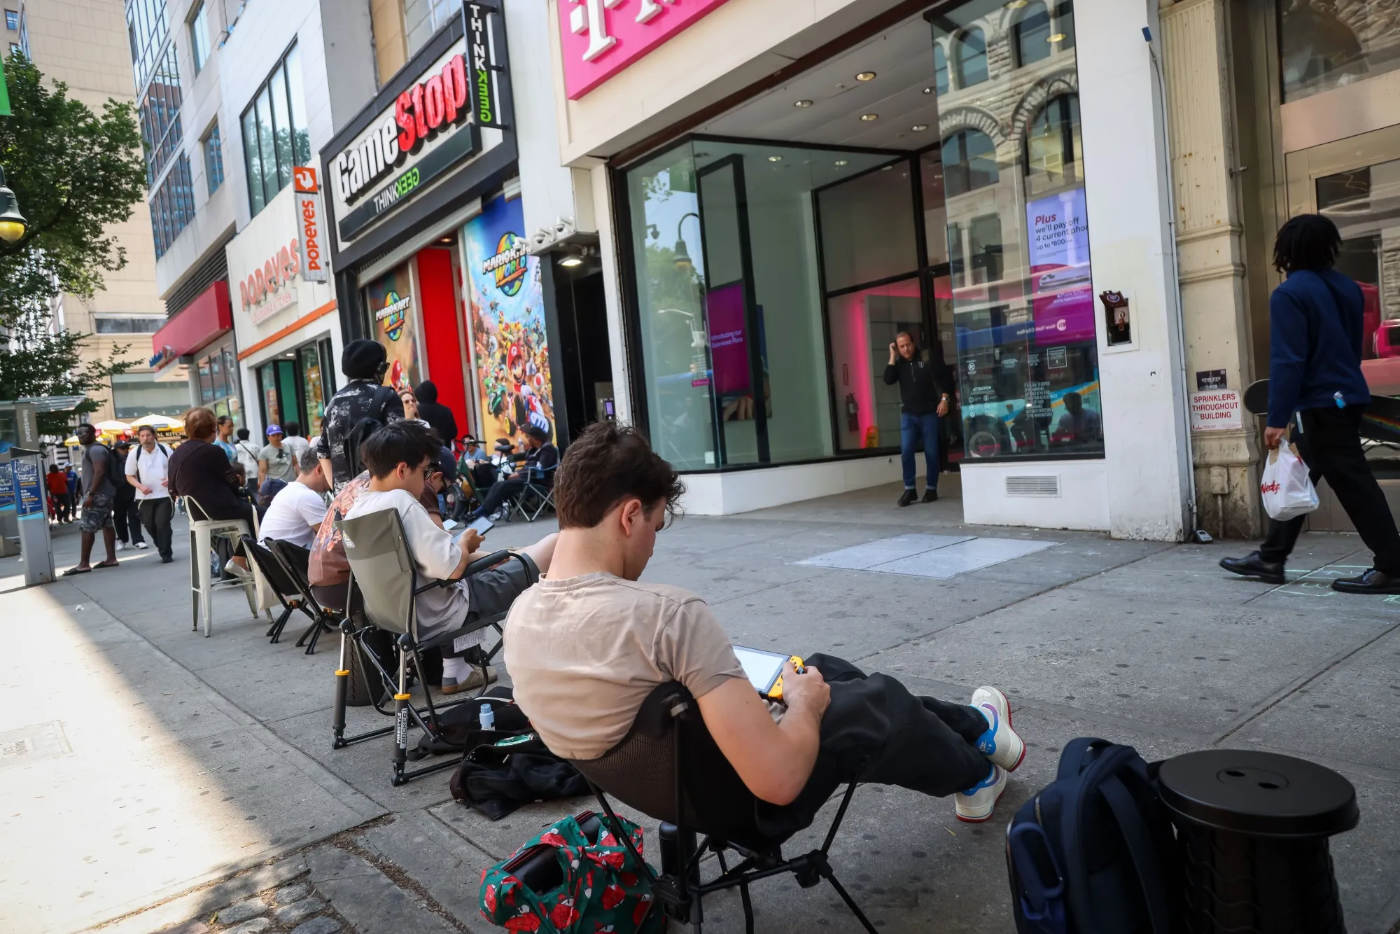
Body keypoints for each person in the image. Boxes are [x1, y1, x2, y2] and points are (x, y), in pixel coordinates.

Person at [505, 423, 1024, 833]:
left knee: (824, 670)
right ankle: (978, 772)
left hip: (679, 793)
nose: (653, 545)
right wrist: (803, 706)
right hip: (745, 805)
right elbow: (779, 780)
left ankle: (977, 731)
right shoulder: (666, 617)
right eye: (656, 527)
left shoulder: (520, 622)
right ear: (629, 515)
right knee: (875, 701)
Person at [1221, 213, 1400, 594]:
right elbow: (1353, 345)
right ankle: (1272, 557)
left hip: (1319, 403)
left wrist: (1277, 416)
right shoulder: (1350, 289)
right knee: (1301, 474)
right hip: (1346, 394)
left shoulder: (1290, 293)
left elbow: (1289, 360)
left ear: (1287, 250)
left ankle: (1392, 564)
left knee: (1355, 486)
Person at [343, 420, 558, 693]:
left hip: (400, 618)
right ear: (402, 469)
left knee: (511, 555)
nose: (425, 479)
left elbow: (425, 563)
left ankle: (457, 669)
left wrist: (468, 550)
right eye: (424, 471)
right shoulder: (401, 502)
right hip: (448, 611)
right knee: (554, 544)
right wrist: (466, 542)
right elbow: (452, 569)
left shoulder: (355, 512)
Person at [168, 407, 257, 578]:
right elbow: (232, 483)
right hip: (215, 510)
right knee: (258, 513)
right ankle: (242, 560)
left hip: (194, 513)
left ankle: (239, 559)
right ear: (213, 429)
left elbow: (172, 488)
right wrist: (238, 480)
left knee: (251, 510)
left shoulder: (177, 452)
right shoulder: (213, 451)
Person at [316, 339, 406, 489]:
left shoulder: (333, 403)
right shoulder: (387, 396)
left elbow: (322, 452)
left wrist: (338, 488)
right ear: (380, 368)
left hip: (346, 504)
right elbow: (401, 446)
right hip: (379, 496)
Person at [884, 331, 950, 507]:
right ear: (897, 348)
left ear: (913, 343)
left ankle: (931, 489)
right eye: (901, 346)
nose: (906, 349)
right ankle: (910, 489)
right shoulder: (898, 365)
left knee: (931, 452)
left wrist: (944, 399)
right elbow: (888, 379)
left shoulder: (926, 359)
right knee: (906, 451)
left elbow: (943, 379)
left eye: (908, 344)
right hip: (909, 415)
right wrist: (892, 355)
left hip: (929, 413)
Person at [62, 424, 120, 575]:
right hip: (104, 494)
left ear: (93, 433)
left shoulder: (95, 450)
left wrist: (91, 494)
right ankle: (111, 558)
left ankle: (84, 564)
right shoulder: (95, 449)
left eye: (84, 433)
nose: (80, 435)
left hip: (98, 495)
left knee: (87, 527)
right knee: (107, 525)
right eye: (78, 433)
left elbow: (99, 471)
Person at [470, 425, 558, 521]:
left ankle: (483, 512)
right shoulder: (533, 450)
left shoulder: (548, 449)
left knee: (502, 485)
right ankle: (483, 510)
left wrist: (519, 474)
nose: (527, 439)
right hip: (524, 478)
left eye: (529, 437)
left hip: (536, 480)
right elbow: (525, 462)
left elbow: (540, 468)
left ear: (536, 438)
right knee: (496, 483)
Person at [259, 447, 330, 549]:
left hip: (270, 558)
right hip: (283, 562)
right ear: (319, 469)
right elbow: (331, 538)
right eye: (330, 470)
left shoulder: (288, 491)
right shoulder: (306, 496)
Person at [125, 425, 174, 563]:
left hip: (164, 495)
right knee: (149, 524)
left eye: (148, 435)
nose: (145, 438)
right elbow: (129, 475)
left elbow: (176, 469)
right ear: (139, 438)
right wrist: (140, 486)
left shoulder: (165, 450)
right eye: (142, 436)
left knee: (162, 523)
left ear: (154, 436)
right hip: (144, 497)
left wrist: (170, 479)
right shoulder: (135, 453)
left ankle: (166, 553)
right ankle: (162, 545)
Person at [111, 441, 147, 552]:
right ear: (116, 449)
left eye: (126, 447)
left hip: (132, 490)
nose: (125, 450)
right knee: (119, 517)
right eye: (122, 448)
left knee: (134, 516)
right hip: (117, 492)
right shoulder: (111, 460)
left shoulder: (131, 457)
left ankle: (138, 540)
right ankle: (122, 539)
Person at [414, 380, 459, 449]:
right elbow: (453, 432)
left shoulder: (416, 411)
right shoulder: (446, 410)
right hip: (444, 450)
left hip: (425, 452)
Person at [232, 428, 261, 497]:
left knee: (244, 490)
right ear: (248, 435)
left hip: (242, 471)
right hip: (254, 470)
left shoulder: (235, 447)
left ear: (238, 436)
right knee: (255, 491)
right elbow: (259, 460)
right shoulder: (255, 446)